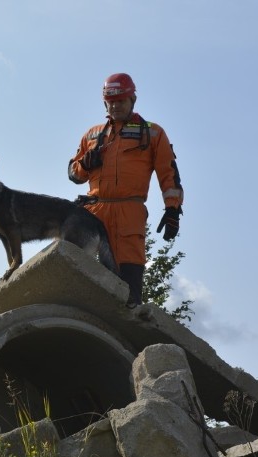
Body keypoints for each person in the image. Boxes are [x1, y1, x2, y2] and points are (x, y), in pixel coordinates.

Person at [68, 72, 184, 308]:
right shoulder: (92, 135)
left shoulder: (152, 133)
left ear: (132, 100)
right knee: (79, 272)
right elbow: (73, 173)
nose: (115, 105)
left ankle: (127, 327)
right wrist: (85, 164)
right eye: (111, 101)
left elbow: (168, 173)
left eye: (120, 100)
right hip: (93, 210)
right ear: (104, 102)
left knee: (128, 282)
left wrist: (172, 210)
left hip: (129, 211)